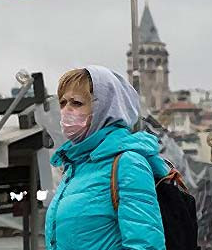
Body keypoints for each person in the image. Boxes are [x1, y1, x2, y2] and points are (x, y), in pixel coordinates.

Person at [45, 66, 169, 250]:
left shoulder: (128, 163)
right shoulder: (74, 167)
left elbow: (145, 244)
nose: (66, 111)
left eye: (77, 103)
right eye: (63, 103)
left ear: (104, 107)